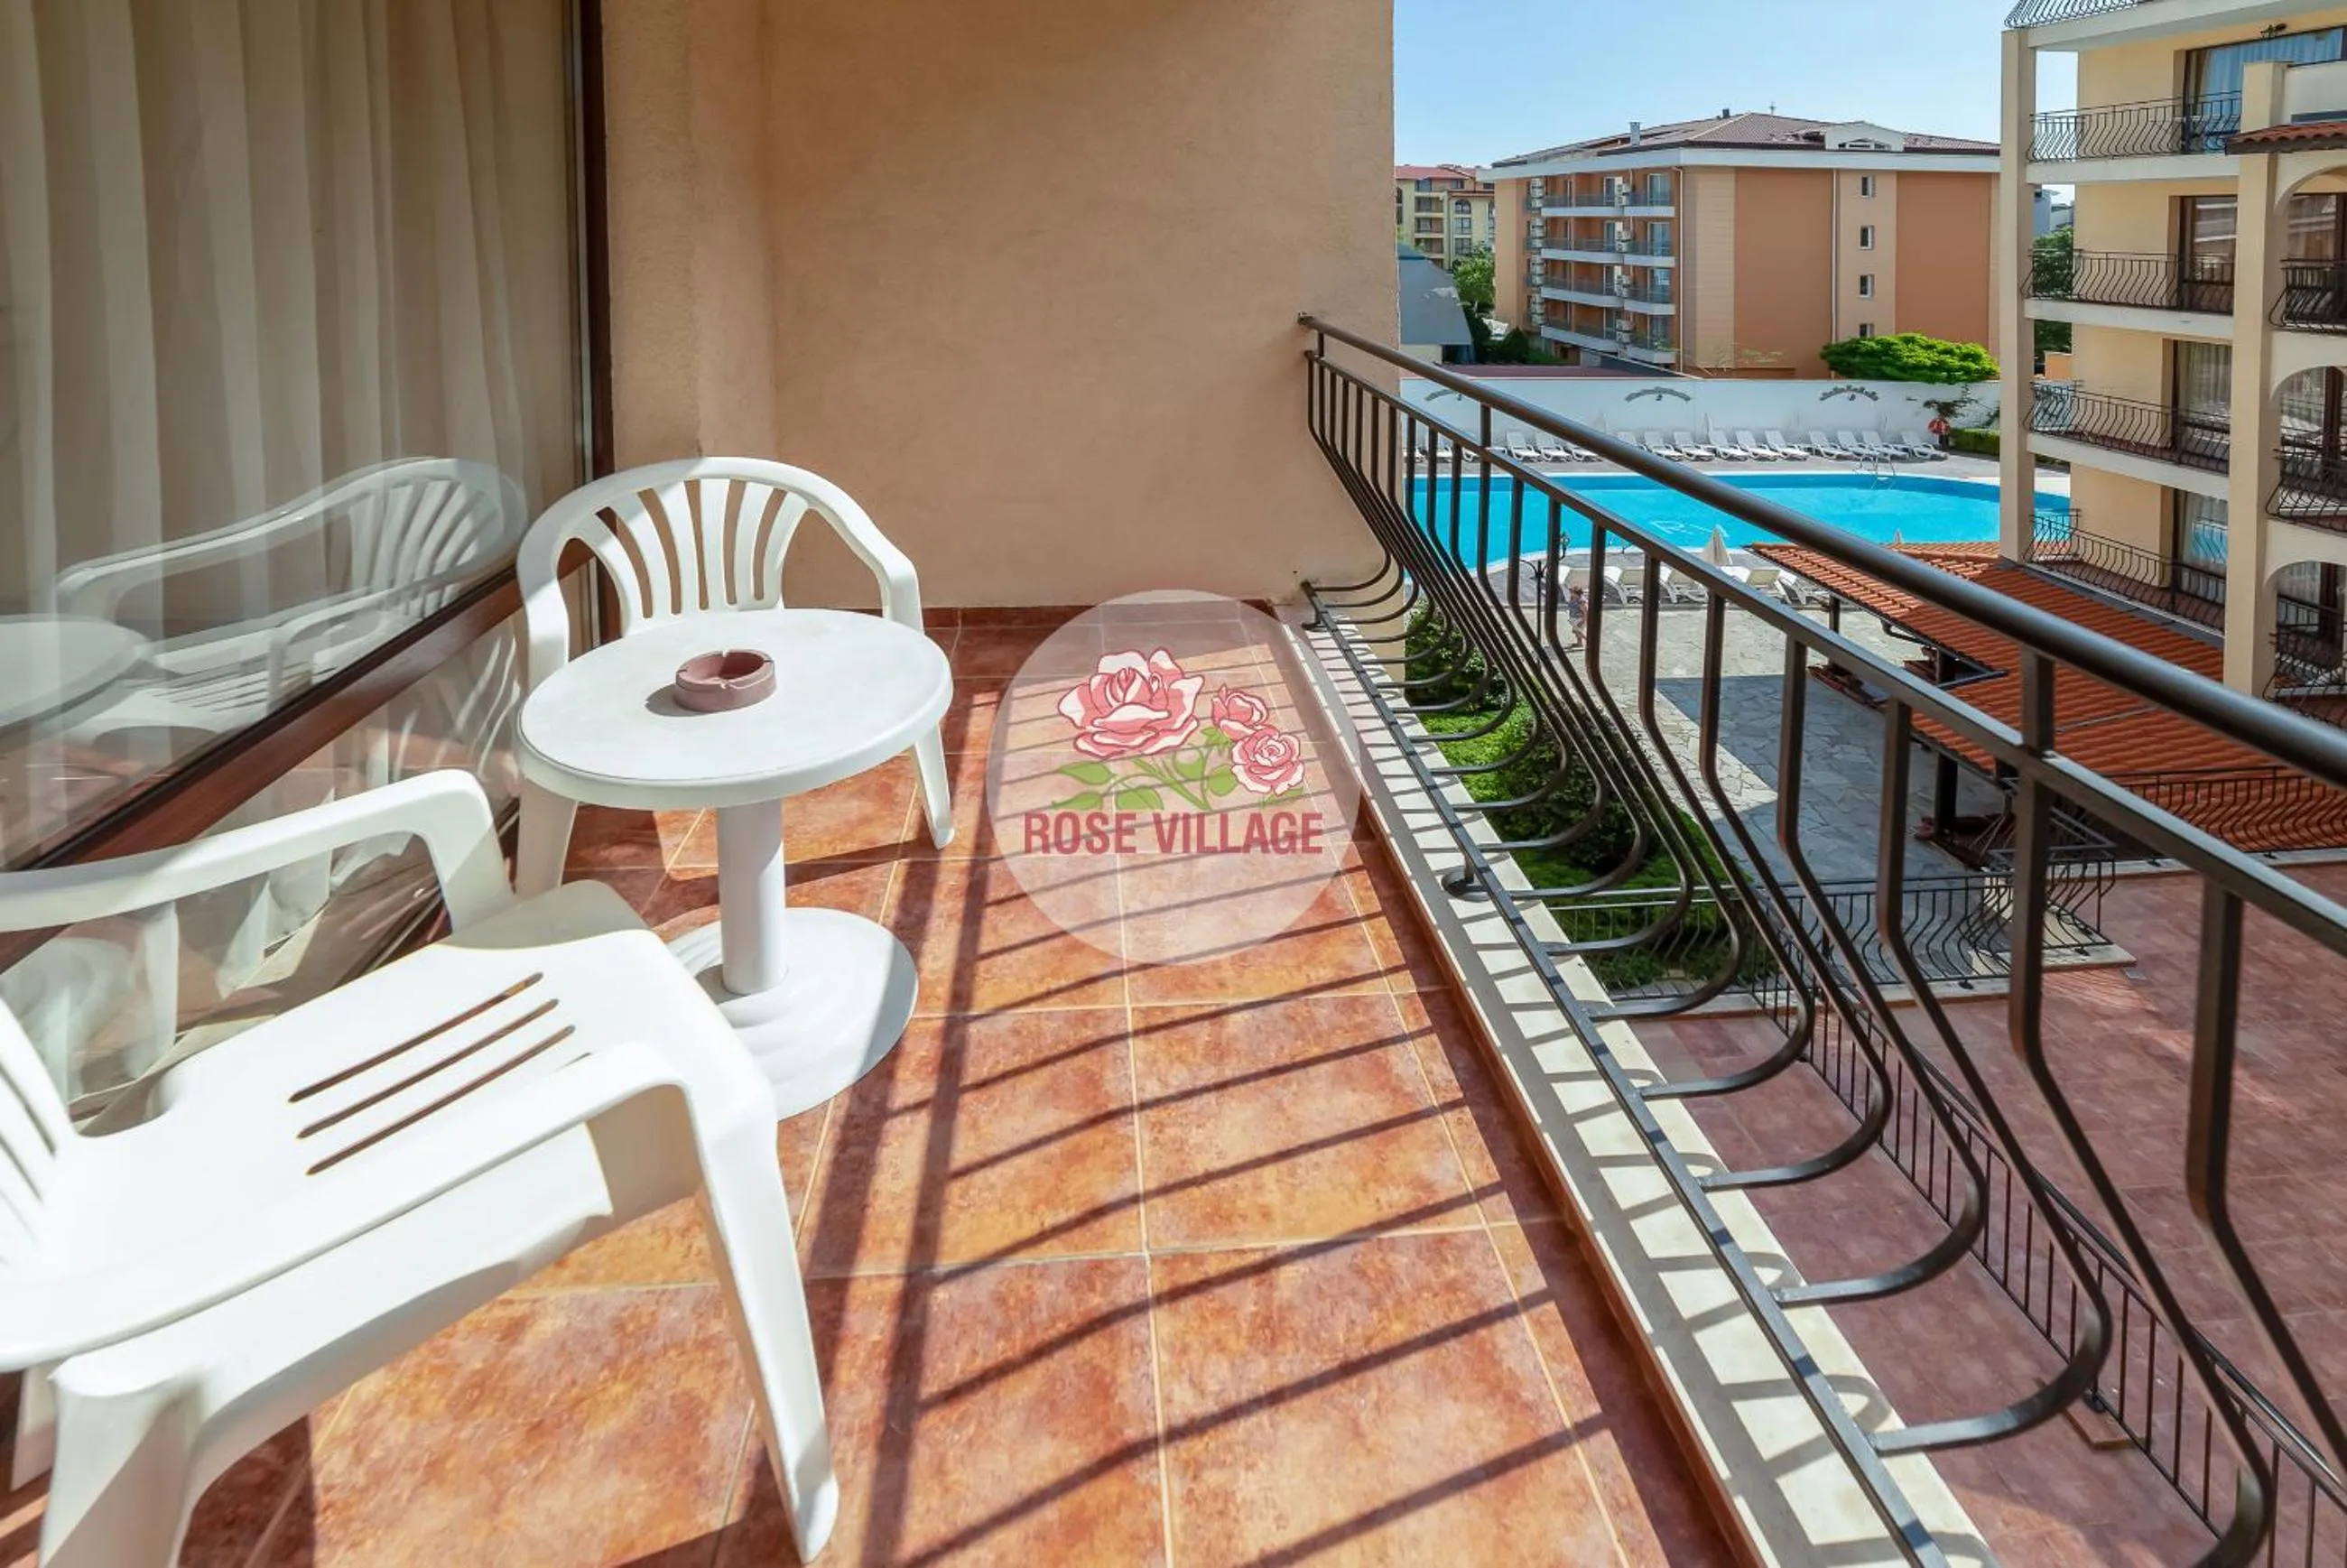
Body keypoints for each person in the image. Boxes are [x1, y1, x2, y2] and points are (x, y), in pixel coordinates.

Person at [1564, 582, 1588, 649]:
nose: (1570, 593)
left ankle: (1590, 642)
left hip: (1580, 619)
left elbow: (1586, 612)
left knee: (1578, 631)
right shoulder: (1573, 598)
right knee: (1576, 631)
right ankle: (1579, 643)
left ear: (1576, 593)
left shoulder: (1581, 601)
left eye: (1572, 592)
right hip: (1575, 618)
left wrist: (1582, 621)